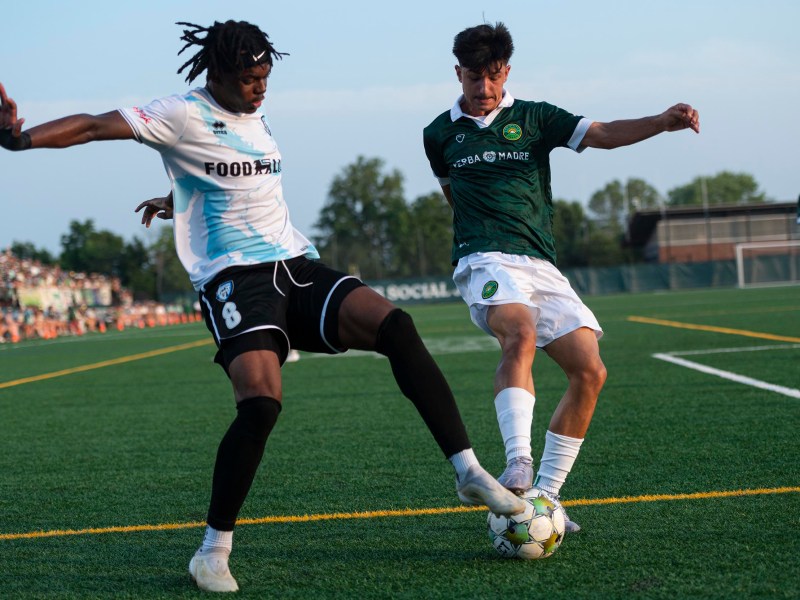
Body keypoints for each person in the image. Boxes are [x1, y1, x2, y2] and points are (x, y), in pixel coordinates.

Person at [1, 20, 525, 593]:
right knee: (260, 406)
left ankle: (468, 472)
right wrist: (19, 140)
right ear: (219, 74)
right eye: (250, 79)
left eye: (266, 77)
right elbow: (95, 125)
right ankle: (213, 550)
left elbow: (231, 178)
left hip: (294, 266)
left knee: (397, 326)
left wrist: (177, 197)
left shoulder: (257, 115)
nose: (261, 88)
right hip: (236, 281)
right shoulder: (179, 112)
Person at [423, 22, 700, 533]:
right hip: (483, 258)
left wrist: (662, 121)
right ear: (457, 73)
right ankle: (518, 463)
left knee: (590, 371)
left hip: (540, 263)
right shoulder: (438, 134)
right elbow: (453, 196)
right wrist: (480, 239)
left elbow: (603, 135)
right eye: (472, 79)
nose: (483, 89)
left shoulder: (536, 118)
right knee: (520, 332)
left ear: (506, 71)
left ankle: (545, 500)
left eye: (493, 77)